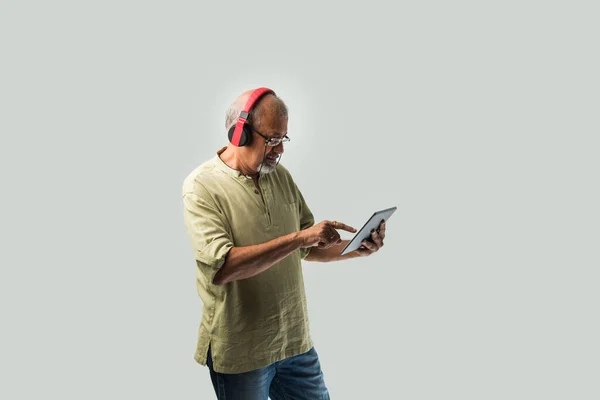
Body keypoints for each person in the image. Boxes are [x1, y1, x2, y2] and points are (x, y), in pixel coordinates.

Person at [182, 87, 386, 399]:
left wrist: (356, 247)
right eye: (272, 139)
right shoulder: (201, 186)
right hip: (241, 354)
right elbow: (223, 267)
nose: (279, 150)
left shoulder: (281, 177)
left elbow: (307, 248)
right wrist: (300, 237)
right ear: (240, 134)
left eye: (283, 139)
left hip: (294, 342)